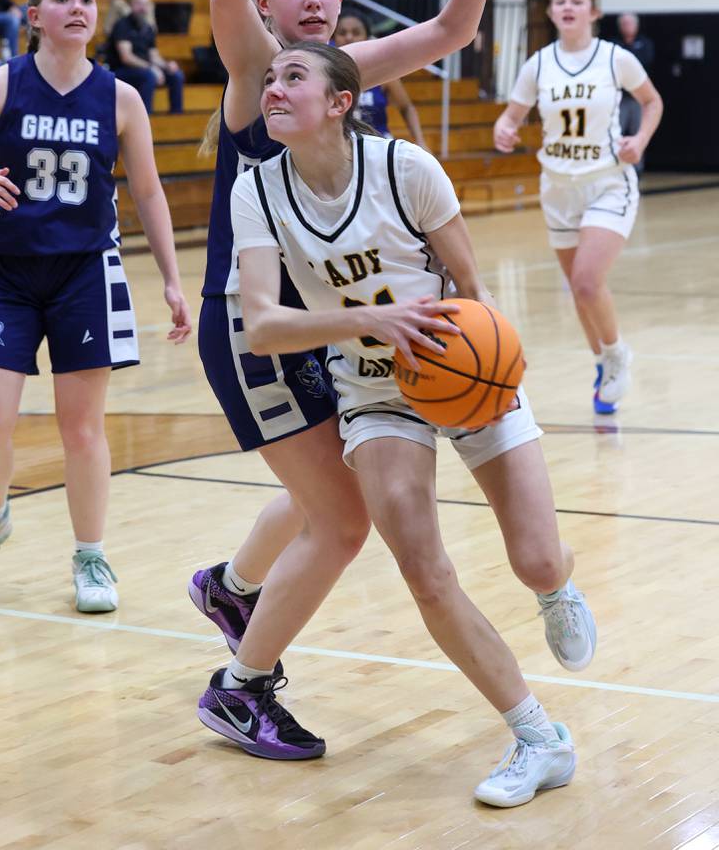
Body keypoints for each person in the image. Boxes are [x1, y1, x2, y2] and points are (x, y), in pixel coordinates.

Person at [186, 0, 592, 769]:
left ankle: (235, 586)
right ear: (269, 6)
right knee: (344, 518)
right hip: (262, 330)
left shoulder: (351, 89)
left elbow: (454, 31)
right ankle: (242, 673)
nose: (318, 1)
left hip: (358, 336)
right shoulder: (259, 74)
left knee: (338, 503)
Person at [210, 39, 580, 805]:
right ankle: (540, 737)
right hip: (374, 391)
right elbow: (263, 324)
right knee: (423, 569)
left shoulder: (405, 168)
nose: (273, 87)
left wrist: (484, 359)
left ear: (340, 101)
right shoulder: (259, 191)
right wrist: (374, 321)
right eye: (269, 77)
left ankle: (555, 590)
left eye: (293, 76)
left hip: (462, 369)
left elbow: (475, 288)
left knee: (538, 561)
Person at [0, 0, 191, 612]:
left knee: (82, 430)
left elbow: (150, 193)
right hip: (7, 277)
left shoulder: (121, 97)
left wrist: (175, 281)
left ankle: (90, 555)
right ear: (35, 15)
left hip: (84, 275)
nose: (79, 8)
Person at [493, 0, 663, 414]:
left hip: (608, 181)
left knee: (588, 281)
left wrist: (640, 139)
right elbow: (510, 116)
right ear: (551, 13)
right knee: (578, 289)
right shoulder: (538, 64)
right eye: (560, 1)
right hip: (558, 187)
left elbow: (652, 102)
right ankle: (603, 361)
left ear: (593, 12)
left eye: (577, 1)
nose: (568, 7)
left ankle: (616, 352)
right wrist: (505, 130)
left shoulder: (615, 58)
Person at [335, 6, 429, 148]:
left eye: (356, 32)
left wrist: (420, 141)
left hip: (379, 146)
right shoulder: (327, 74)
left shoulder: (382, 72)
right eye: (342, 33)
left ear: (367, 37)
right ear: (334, 38)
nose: (349, 37)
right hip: (342, 148)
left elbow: (406, 107)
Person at [105, 0, 184, 113]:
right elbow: (126, 57)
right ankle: (146, 118)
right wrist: (151, 68)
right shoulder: (122, 25)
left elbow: (153, 55)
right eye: (139, 4)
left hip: (144, 68)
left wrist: (166, 65)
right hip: (121, 70)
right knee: (149, 76)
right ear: (131, 5)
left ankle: (177, 117)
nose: (142, 8)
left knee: (176, 75)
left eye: (145, 4)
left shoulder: (148, 28)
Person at [616, 12, 655, 176]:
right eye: (624, 23)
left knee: (638, 131)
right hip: (619, 97)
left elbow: (644, 63)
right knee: (616, 131)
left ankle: (637, 168)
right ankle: (616, 165)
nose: (627, 26)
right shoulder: (614, 45)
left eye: (630, 23)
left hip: (638, 97)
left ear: (636, 25)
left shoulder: (644, 43)